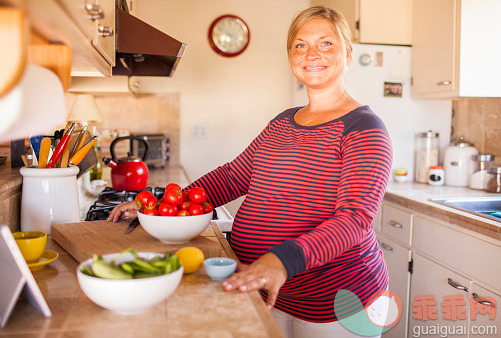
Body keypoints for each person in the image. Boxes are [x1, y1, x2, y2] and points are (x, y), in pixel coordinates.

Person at [109, 6, 393, 337]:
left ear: (347, 54)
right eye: (300, 45)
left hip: (336, 305)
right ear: (291, 56)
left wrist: (281, 261)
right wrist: (158, 204)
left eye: (326, 43)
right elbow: (232, 177)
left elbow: (354, 222)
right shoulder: (283, 122)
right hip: (264, 286)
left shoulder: (363, 129)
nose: (311, 54)